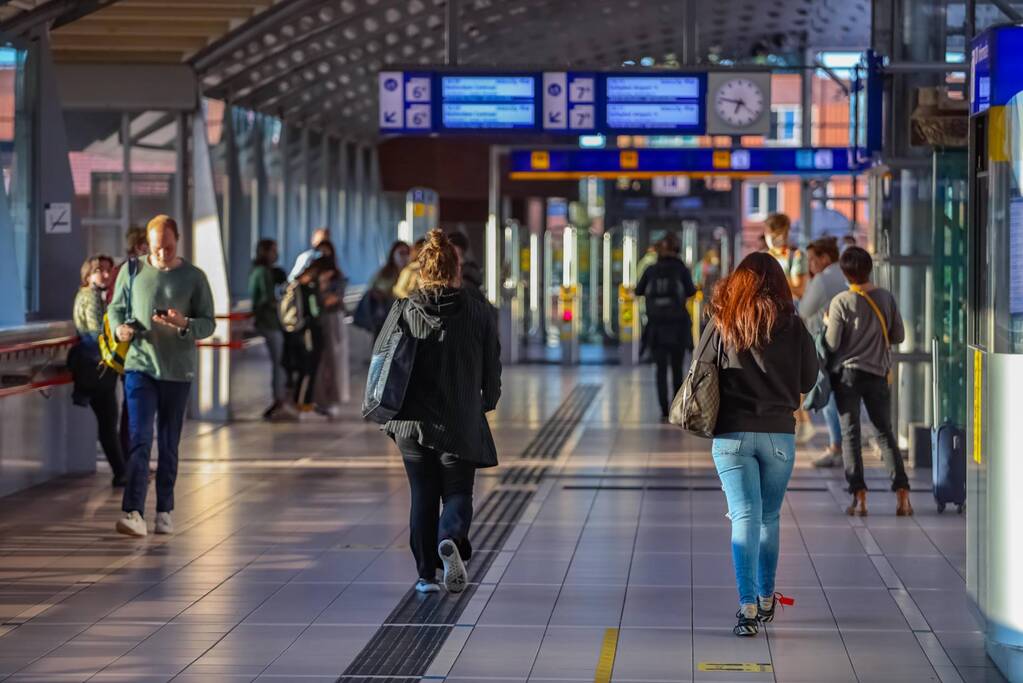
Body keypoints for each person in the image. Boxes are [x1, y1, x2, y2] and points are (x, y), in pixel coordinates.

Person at [699, 252, 818, 637]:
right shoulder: (794, 326)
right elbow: (808, 379)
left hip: (732, 434)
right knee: (768, 517)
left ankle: (747, 606)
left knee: (744, 516)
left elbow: (700, 370)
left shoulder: (723, 321)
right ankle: (767, 598)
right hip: (779, 435)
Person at [379, 229, 502, 594]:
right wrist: (487, 401)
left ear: (422, 270)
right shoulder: (478, 311)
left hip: (410, 422)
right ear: (455, 269)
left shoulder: (403, 309)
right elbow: (491, 366)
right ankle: (448, 537)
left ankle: (425, 576)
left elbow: (382, 360)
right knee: (458, 492)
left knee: (422, 495)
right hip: (458, 418)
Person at [108, 215, 215, 537]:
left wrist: (184, 324)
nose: (162, 254)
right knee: (140, 439)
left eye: (168, 248)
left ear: (177, 240)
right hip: (140, 366)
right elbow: (115, 308)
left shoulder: (194, 277)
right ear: (148, 244)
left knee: (168, 444)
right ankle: (133, 512)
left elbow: (208, 323)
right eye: (156, 248)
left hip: (178, 370)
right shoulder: (132, 271)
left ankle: (165, 509)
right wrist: (119, 328)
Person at [825, 247, 912, 517]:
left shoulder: (840, 302)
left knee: (850, 435)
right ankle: (903, 495)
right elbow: (898, 336)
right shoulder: (886, 297)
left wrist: (828, 323)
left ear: (845, 272)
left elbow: (832, 343)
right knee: (884, 432)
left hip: (848, 376)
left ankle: (859, 497)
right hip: (877, 374)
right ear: (869, 269)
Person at [71, 254, 126, 487]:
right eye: (98, 270)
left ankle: (122, 470)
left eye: (107, 270)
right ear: (88, 274)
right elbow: (96, 333)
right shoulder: (91, 297)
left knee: (108, 421)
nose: (105, 274)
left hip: (93, 364)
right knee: (108, 420)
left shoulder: (89, 295)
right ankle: (121, 472)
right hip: (98, 365)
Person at [798, 237, 848, 468]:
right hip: (849, 344)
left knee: (828, 394)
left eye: (812, 259)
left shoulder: (823, 279)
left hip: (826, 343)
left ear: (825, 258)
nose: (810, 265)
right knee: (843, 395)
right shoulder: (845, 273)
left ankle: (836, 446)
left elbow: (804, 309)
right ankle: (843, 444)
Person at [636, 233, 697, 421]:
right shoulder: (681, 269)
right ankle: (676, 409)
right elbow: (691, 291)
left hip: (656, 327)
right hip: (678, 327)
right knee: (678, 368)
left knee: (660, 369)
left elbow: (638, 290)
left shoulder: (651, 269)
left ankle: (663, 409)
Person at [249, 239, 295, 421]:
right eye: (273, 251)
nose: (276, 254)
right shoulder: (262, 273)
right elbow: (266, 299)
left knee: (279, 362)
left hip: (270, 322)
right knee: (279, 362)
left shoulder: (265, 272)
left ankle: (280, 398)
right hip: (269, 323)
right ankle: (279, 400)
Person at [312, 241, 349, 415]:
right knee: (320, 361)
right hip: (318, 321)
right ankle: (319, 398)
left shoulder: (337, 276)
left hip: (333, 320)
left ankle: (333, 398)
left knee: (335, 359)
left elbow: (333, 300)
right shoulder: (312, 276)